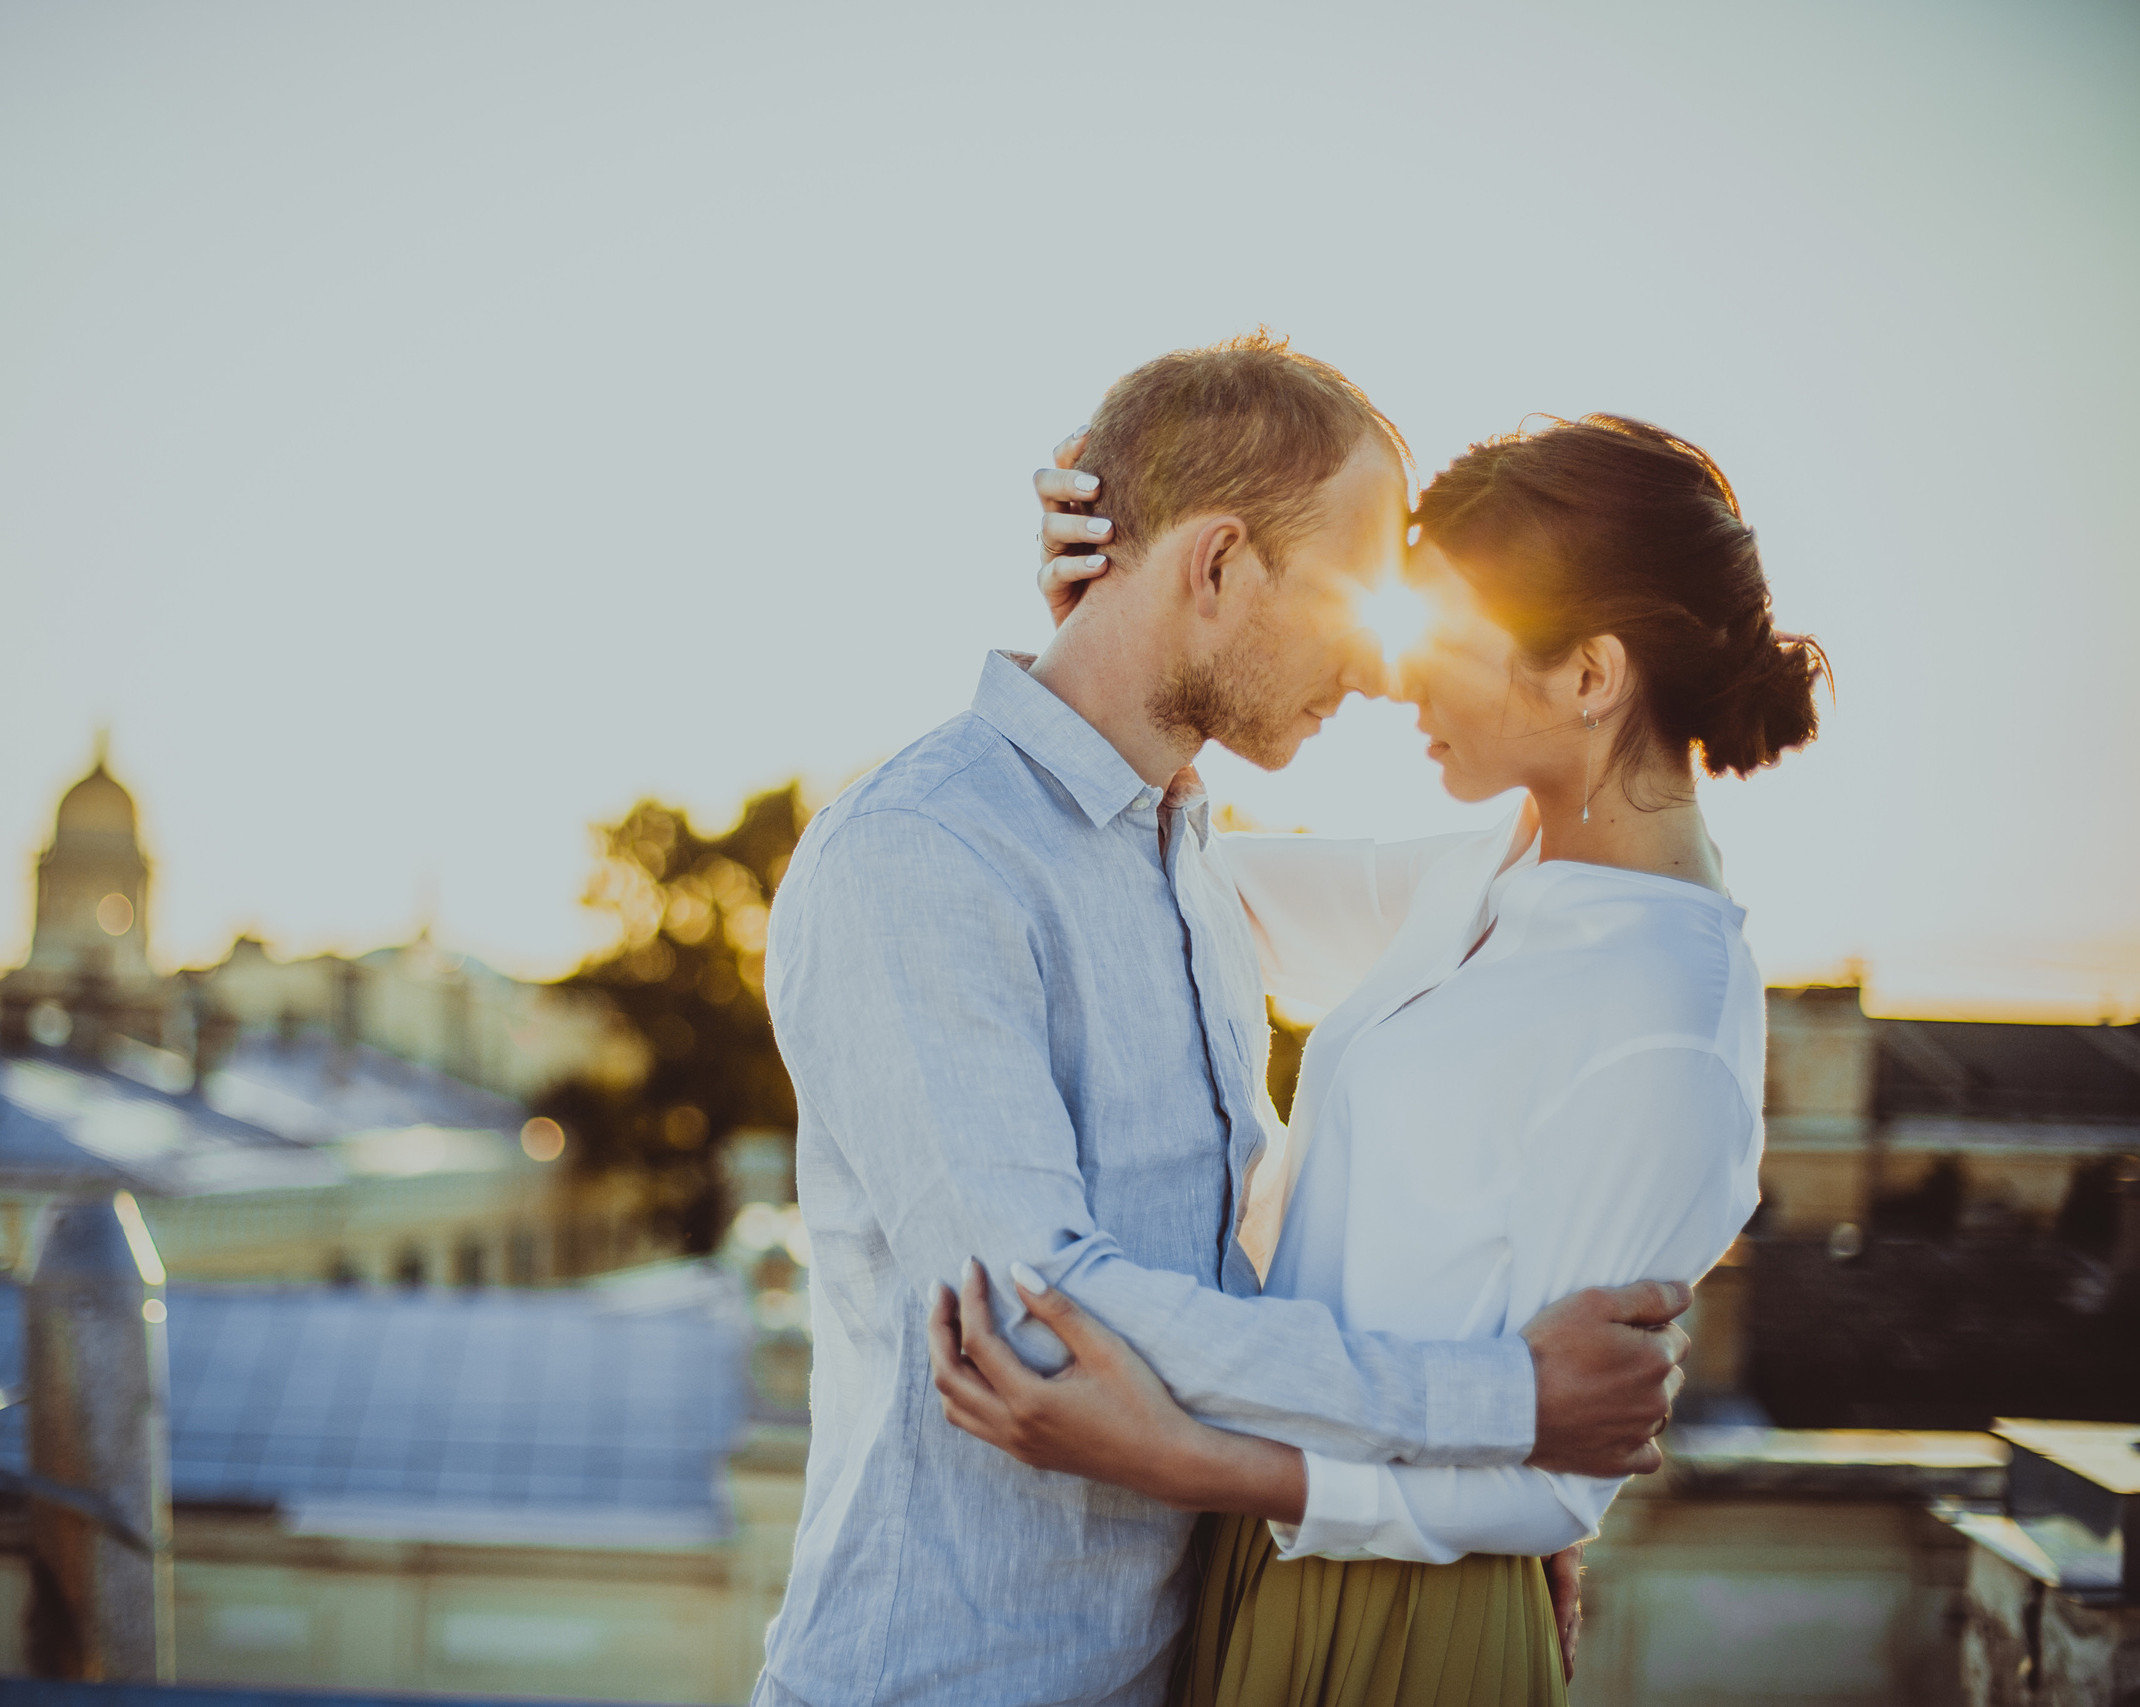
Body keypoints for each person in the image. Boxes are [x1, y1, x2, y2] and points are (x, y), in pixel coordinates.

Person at [754, 333, 1697, 1707]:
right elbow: (1039, 1320)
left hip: (1176, 1666)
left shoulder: (1187, 857)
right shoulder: (921, 858)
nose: (1379, 672)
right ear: (1214, 566)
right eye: (1351, 602)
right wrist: (1500, 1402)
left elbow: (1227, 1256)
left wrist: (1482, 1505)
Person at [926, 409, 1827, 1704]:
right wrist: (1121, 631)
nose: (1402, 677)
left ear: (1589, 675)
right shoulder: (1499, 870)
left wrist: (1183, 1461)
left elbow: (1556, 1478)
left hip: (1408, 1616)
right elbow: (1195, 893)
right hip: (1270, 1552)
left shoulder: (1664, 1029)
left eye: (1450, 640)